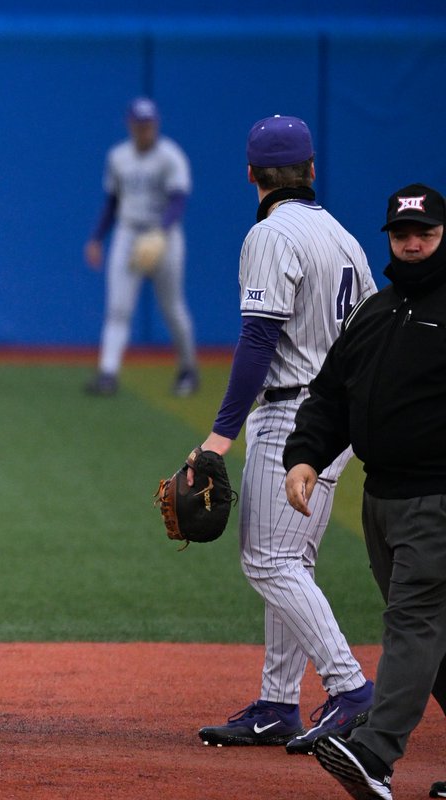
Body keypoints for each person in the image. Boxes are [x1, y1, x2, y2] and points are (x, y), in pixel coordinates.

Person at [191, 115, 375, 753]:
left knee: (268, 561)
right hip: (338, 414)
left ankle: (351, 689)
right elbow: (371, 337)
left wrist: (218, 437)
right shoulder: (344, 238)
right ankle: (276, 704)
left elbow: (258, 338)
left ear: (251, 175)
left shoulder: (271, 234)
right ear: (312, 171)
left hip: (294, 414)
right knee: (292, 560)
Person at [285, 184, 446, 800]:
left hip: (436, 499)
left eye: (425, 233)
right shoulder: (376, 312)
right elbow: (330, 395)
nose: (412, 243)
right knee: (434, 636)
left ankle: (373, 754)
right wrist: (305, 456)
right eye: (403, 234)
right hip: (380, 500)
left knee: (413, 623)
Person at [83, 97, 199, 397]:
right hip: (128, 232)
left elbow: (178, 199)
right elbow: (112, 201)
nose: (144, 130)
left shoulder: (170, 156)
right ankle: (108, 373)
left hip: (164, 236)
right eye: (139, 124)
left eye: (149, 124)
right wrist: (97, 238)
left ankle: (188, 369)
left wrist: (160, 233)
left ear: (156, 125)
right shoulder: (118, 156)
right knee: (118, 308)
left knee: (171, 307)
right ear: (130, 125)